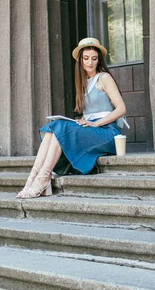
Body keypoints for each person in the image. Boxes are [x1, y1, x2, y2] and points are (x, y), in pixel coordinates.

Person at [16, 37, 127, 199]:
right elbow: (90, 113)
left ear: (99, 60)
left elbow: (122, 109)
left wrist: (96, 124)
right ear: (80, 60)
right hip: (92, 131)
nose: (90, 62)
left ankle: (43, 178)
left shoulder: (104, 78)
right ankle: (32, 179)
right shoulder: (83, 82)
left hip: (108, 132)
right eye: (86, 58)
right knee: (53, 127)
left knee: (60, 127)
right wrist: (82, 121)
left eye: (94, 59)